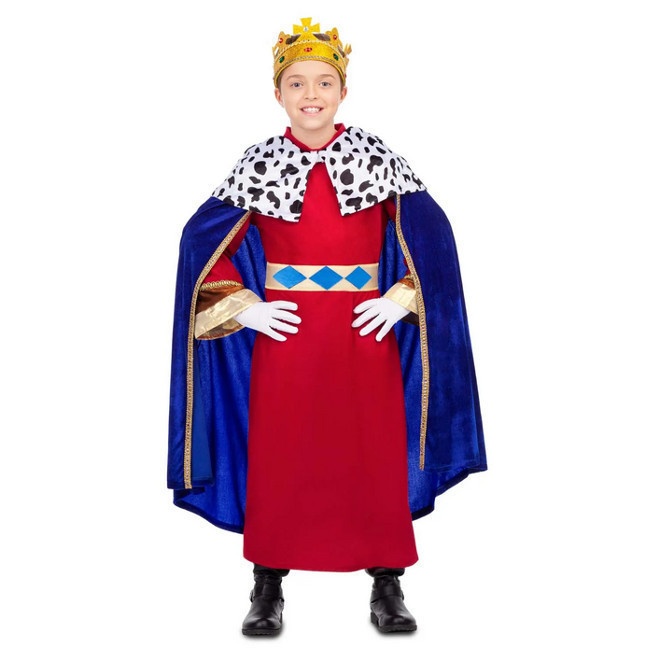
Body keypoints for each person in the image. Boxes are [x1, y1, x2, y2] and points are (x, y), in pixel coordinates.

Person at [168, 17, 486, 636]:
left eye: (323, 82)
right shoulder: (259, 165)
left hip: (363, 335)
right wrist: (245, 307)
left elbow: (433, 243)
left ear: (343, 91)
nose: (310, 94)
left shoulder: (377, 159)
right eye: (296, 83)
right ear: (278, 93)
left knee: (373, 451)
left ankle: (387, 579)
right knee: (281, 452)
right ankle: (267, 580)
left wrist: (402, 296)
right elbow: (203, 244)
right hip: (286, 338)